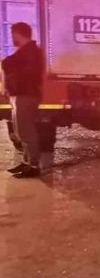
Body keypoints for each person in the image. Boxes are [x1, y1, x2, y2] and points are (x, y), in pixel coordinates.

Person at [1, 22, 44, 178]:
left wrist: (6, 64)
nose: (12, 38)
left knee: (26, 132)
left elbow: (10, 64)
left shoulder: (31, 52)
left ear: (18, 34)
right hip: (20, 96)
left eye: (13, 34)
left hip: (26, 96)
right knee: (21, 131)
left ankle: (33, 166)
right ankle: (27, 162)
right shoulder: (26, 51)